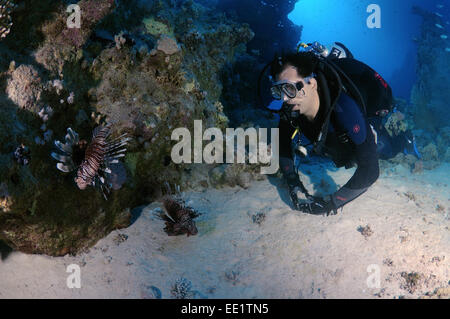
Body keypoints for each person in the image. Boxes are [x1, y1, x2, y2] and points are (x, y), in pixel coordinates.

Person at [266, 44, 418, 216]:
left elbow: (370, 171)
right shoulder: (290, 108)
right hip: (331, 138)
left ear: (312, 84)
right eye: (278, 91)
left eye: (290, 88)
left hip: (360, 119)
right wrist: (293, 182)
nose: (285, 98)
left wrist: (329, 203)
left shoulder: (344, 107)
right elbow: (283, 144)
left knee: (382, 150)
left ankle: (405, 139)